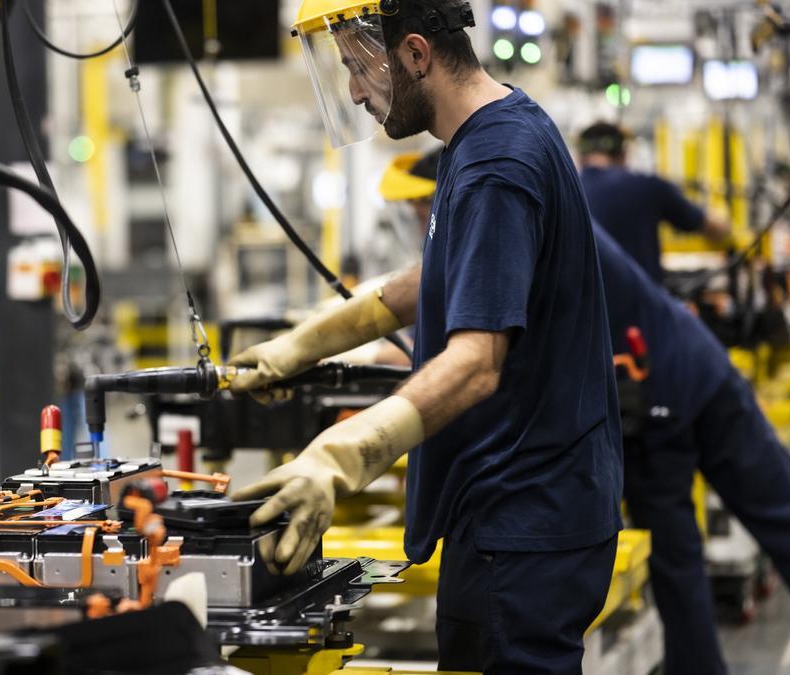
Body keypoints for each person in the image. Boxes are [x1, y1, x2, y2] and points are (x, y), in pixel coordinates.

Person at [229, 1, 624, 673]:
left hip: (526, 523)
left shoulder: (497, 164)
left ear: (415, 55)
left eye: (359, 67)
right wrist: (304, 342)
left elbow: (475, 364)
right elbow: (441, 272)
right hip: (508, 511)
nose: (354, 90)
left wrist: (337, 457)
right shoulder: (491, 133)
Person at [385, 150, 790, 675]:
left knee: (677, 558)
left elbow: (475, 333)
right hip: (699, 367)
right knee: (783, 512)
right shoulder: (552, 198)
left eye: (420, 208)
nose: (418, 221)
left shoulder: (505, 215)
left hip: (655, 399)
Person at [577, 121, 730, 284]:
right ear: (624, 154)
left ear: (580, 157)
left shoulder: (569, 193)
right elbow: (715, 227)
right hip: (641, 303)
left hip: (585, 305)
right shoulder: (648, 187)